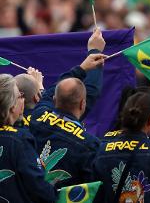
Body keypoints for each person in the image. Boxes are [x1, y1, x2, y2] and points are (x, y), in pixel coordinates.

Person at [29, 29, 106, 188]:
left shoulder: (38, 116)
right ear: (82, 104)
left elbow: (48, 95)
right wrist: (95, 52)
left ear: (55, 100)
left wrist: (83, 67)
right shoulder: (91, 145)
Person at [0, 74, 57, 202]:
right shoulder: (20, 140)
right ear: (11, 106)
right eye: (20, 96)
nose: (23, 100)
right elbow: (39, 187)